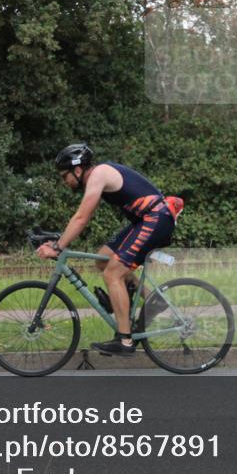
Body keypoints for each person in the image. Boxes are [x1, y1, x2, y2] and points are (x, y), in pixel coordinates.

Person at [36, 143, 181, 356]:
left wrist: (58, 247)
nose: (64, 181)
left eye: (64, 176)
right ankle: (153, 300)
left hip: (155, 218)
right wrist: (60, 241)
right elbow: (82, 217)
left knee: (112, 274)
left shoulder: (99, 174)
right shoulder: (98, 176)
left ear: (78, 170)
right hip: (148, 219)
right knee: (103, 258)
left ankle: (125, 341)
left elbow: (81, 218)